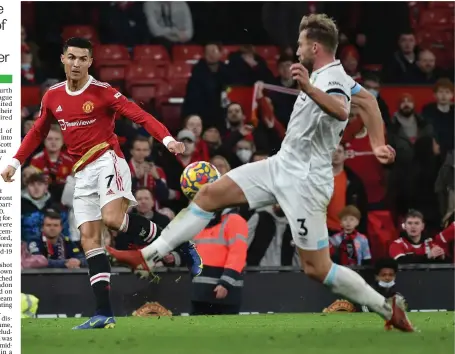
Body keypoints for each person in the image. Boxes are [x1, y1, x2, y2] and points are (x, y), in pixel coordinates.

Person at [108, 14, 413, 332]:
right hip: (282, 164)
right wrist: (378, 143)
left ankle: (386, 307)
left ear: (316, 46)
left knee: (317, 268)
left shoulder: (330, 80)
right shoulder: (336, 75)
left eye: (300, 45)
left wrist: (308, 87)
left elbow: (342, 109)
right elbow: (368, 102)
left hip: (306, 181)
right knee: (209, 194)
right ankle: (149, 255)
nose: (297, 52)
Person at [1, 37, 185, 330]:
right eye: (71, 57)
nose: (76, 63)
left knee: (112, 220)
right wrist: (14, 162)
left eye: (82, 59)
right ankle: (103, 313)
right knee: (90, 241)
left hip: (107, 160)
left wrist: (167, 138)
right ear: (63, 59)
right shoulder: (52, 96)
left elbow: (139, 115)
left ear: (90, 62)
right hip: (81, 172)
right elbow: (37, 132)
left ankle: (179, 241)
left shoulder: (103, 92)